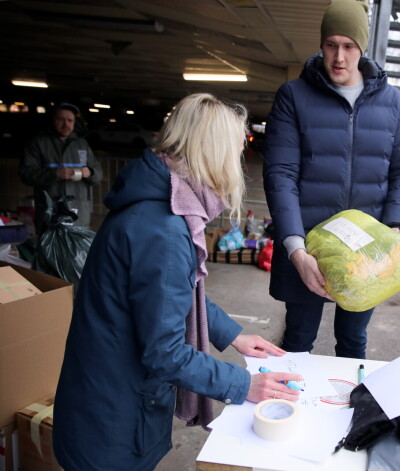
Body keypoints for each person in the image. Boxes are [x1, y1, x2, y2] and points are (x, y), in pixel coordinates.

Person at [52, 93, 302, 470]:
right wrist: (241, 385)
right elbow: (165, 352)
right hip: (111, 427)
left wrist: (232, 334)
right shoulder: (164, 230)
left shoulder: (153, 204)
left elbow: (173, 296)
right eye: (236, 150)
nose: (237, 163)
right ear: (213, 154)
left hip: (97, 405)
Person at [263, 0, 400, 360]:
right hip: (308, 247)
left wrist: (394, 230)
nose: (339, 57)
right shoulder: (293, 96)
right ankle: (293, 410)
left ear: (362, 49)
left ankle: (353, 413)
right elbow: (281, 174)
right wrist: (295, 249)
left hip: (367, 251)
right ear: (320, 45)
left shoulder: (391, 101)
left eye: (349, 46)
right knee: (298, 340)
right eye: (331, 44)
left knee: (353, 342)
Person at [19, 103, 103, 237]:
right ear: (52, 119)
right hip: (50, 212)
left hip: (78, 213)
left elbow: (98, 173)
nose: (66, 125)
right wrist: (54, 174)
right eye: (60, 119)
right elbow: (26, 173)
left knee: (77, 253)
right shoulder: (38, 143)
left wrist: (91, 172)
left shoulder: (81, 144)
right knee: (50, 252)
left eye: (70, 120)